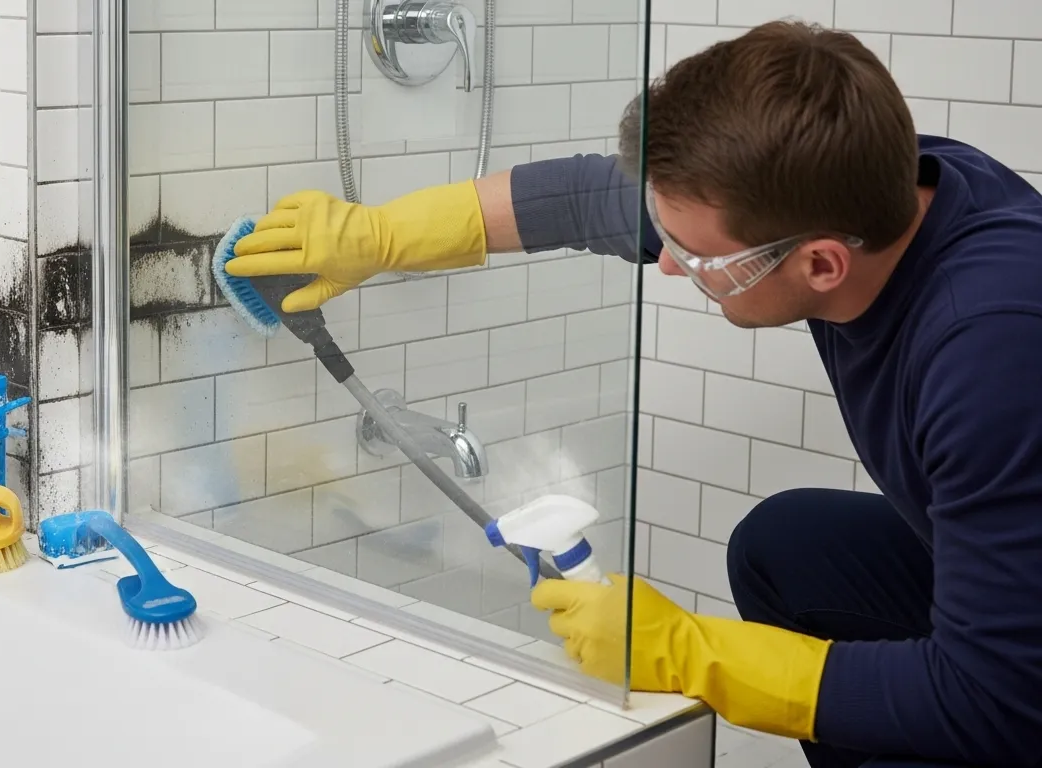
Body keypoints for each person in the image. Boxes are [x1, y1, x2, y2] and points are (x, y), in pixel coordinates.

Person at [223, 20, 1042, 768]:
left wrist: (690, 653)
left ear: (821, 264)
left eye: (697, 257)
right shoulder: (871, 184)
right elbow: (590, 199)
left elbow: (997, 700)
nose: (670, 265)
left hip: (1015, 690)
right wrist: (383, 237)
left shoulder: (989, 352)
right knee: (787, 547)